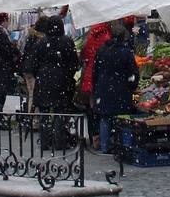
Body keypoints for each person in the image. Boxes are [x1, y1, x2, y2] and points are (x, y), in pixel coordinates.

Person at [91, 21, 141, 154]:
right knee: (121, 119)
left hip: (104, 90)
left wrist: (96, 87)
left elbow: (95, 71)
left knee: (105, 118)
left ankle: (105, 146)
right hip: (121, 90)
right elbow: (133, 73)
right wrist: (132, 86)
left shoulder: (102, 50)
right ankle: (121, 145)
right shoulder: (125, 52)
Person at [33, 16, 79, 148]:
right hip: (61, 81)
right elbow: (74, 63)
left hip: (44, 81)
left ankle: (45, 141)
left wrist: (41, 74)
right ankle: (60, 142)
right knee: (60, 112)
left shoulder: (41, 42)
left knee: (44, 112)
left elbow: (34, 63)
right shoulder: (67, 41)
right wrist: (68, 74)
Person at [79, 22, 112, 147]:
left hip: (89, 74)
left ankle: (94, 136)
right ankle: (101, 139)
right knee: (101, 108)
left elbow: (84, 55)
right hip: (101, 75)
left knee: (91, 107)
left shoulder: (89, 37)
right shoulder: (107, 37)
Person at [20, 16, 49, 113]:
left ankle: (31, 119)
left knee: (32, 94)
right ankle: (33, 120)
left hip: (27, 69)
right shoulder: (39, 38)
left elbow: (25, 52)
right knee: (35, 95)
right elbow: (36, 56)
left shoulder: (31, 36)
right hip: (32, 70)